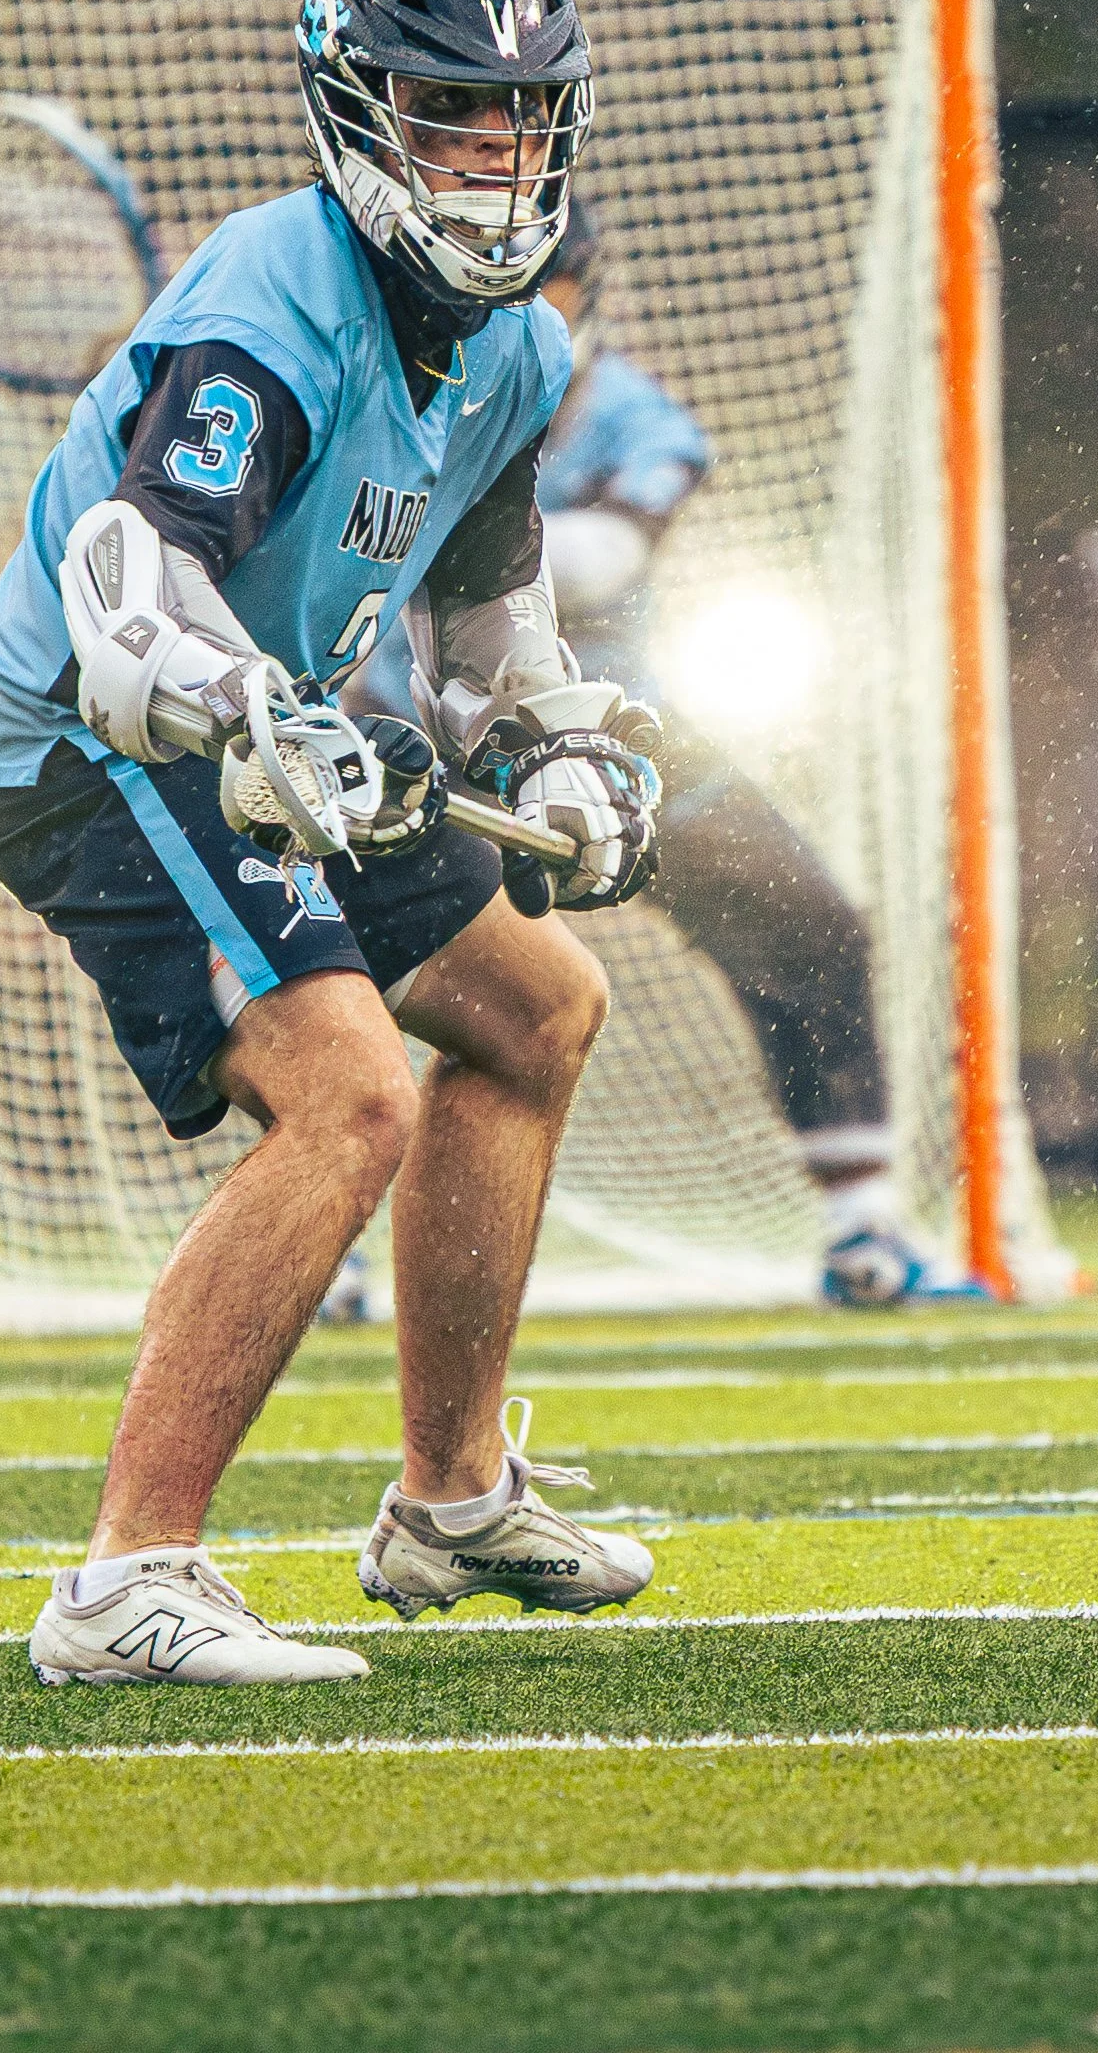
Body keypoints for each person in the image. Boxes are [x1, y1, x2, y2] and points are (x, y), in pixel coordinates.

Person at [0, 0, 663, 1687]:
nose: (491, 158)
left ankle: (450, 1496)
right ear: (360, 114)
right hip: (90, 735)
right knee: (344, 1096)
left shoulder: (509, 348)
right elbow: (128, 580)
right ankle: (127, 1580)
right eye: (448, 116)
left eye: (517, 121)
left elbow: (487, 621)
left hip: (276, 728)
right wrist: (240, 711)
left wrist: (553, 748)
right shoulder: (273, 295)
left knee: (534, 1008)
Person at [346, 205, 945, 1308]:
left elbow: (608, 558)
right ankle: (334, 1243)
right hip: (425, 743)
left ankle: (864, 1223)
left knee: (809, 923)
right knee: (339, 970)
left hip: (614, 735)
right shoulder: (393, 394)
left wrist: (417, 522)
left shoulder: (631, 415)